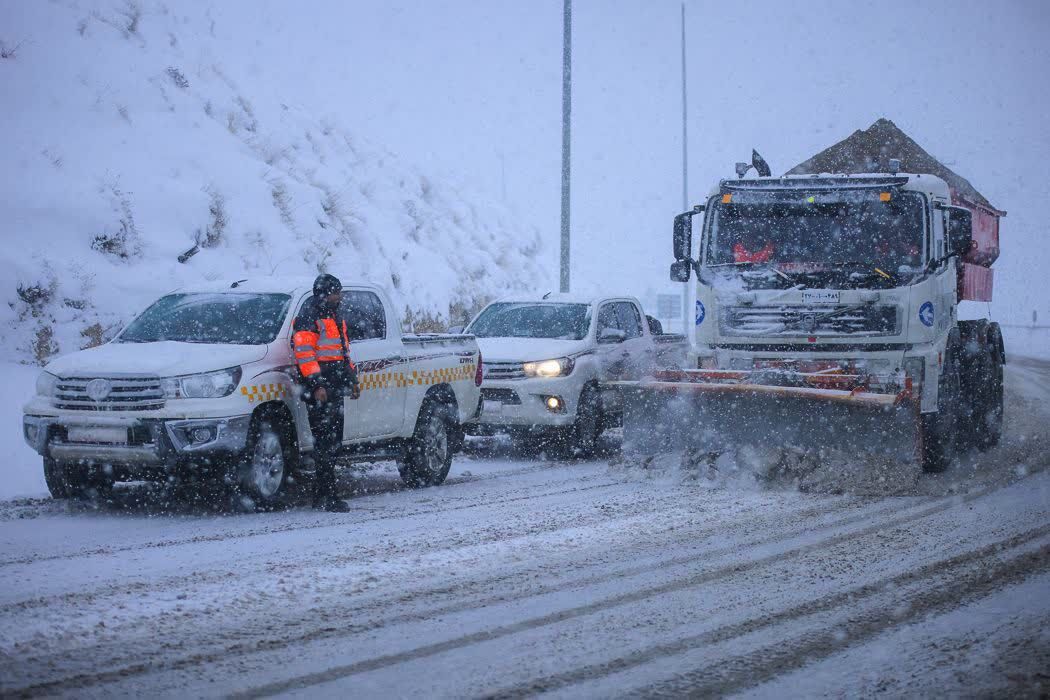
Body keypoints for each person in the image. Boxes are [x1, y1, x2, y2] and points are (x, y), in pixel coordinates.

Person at [292, 273, 361, 512]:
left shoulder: (334, 316)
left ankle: (321, 493)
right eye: (336, 292)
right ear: (325, 294)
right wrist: (316, 385)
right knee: (325, 443)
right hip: (320, 390)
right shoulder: (310, 316)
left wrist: (352, 379)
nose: (339, 297)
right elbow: (304, 354)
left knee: (333, 443)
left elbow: (343, 353)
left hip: (334, 387)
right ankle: (328, 496)